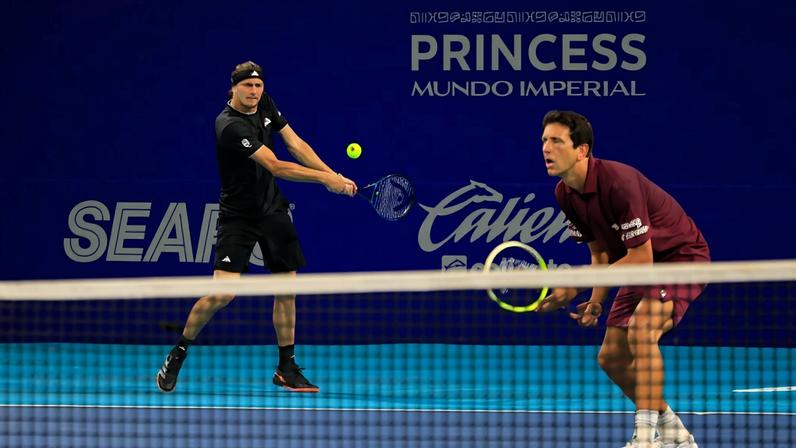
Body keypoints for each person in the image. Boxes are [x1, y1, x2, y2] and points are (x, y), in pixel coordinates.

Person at [156, 61, 357, 394]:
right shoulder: (229, 125)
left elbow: (296, 144)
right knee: (223, 293)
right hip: (238, 217)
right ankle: (179, 350)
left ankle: (286, 368)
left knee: (287, 290)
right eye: (247, 86)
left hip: (272, 211)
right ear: (233, 88)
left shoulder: (265, 104)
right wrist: (325, 179)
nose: (253, 92)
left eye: (258, 86)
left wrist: (332, 175)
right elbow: (276, 166)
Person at [536, 110, 707, 448]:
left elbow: (641, 257)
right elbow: (600, 255)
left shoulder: (618, 182)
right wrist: (596, 299)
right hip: (639, 262)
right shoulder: (564, 193)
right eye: (544, 140)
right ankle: (675, 434)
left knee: (642, 329)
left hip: (679, 258)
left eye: (556, 141)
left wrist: (575, 285)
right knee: (610, 357)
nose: (546, 148)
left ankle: (644, 438)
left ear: (581, 150)